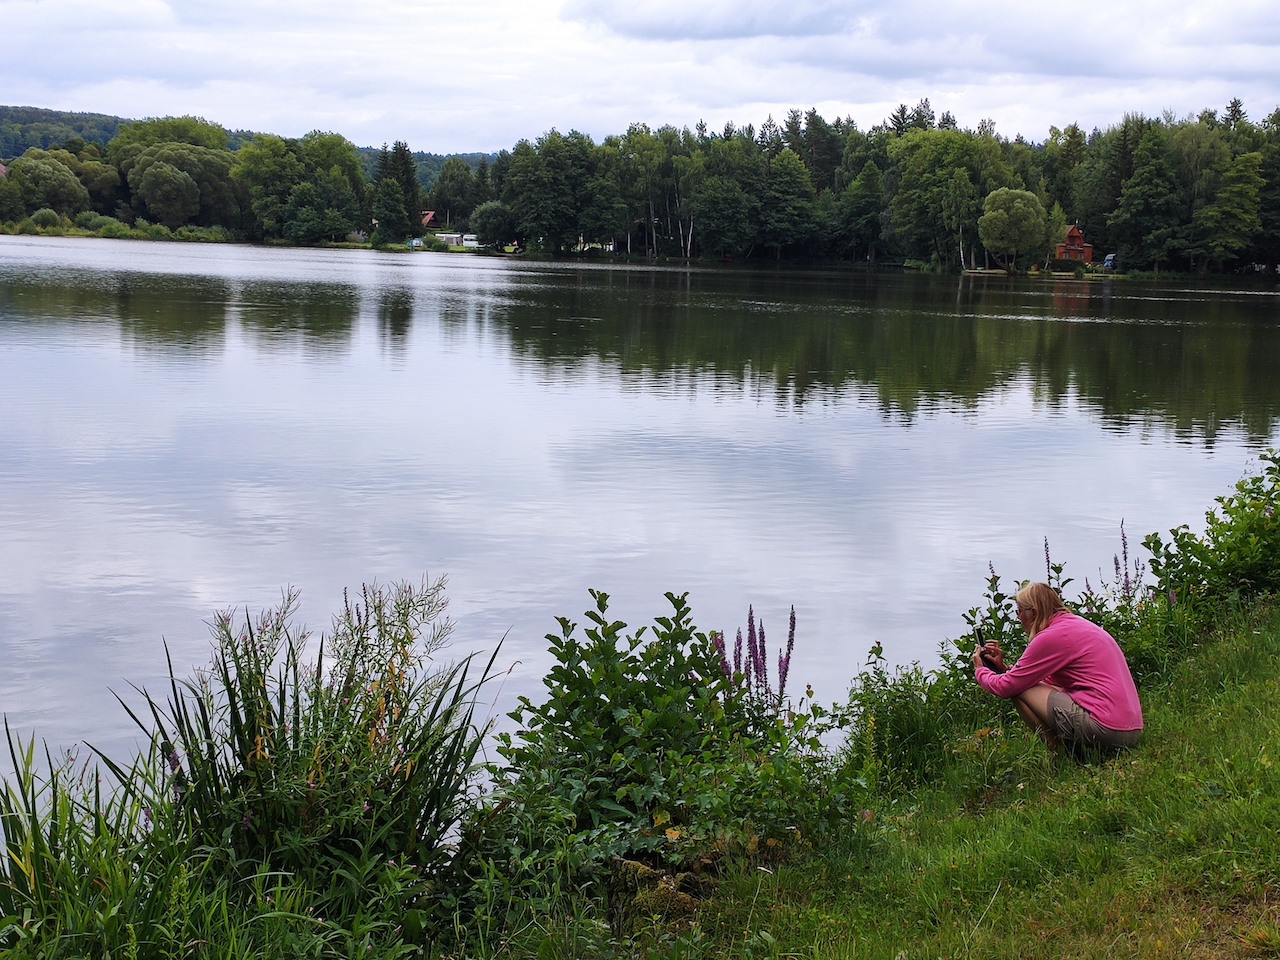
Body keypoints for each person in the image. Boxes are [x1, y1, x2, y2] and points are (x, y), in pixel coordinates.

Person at [973, 581, 1143, 756]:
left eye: (1020, 611)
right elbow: (1045, 683)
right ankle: (1076, 754)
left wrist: (980, 670)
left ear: (1034, 613)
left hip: (1109, 729)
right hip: (1130, 728)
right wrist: (1003, 668)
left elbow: (1007, 687)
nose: (1018, 617)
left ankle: (1064, 757)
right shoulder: (1074, 625)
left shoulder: (1051, 636)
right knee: (1022, 684)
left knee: (1018, 690)